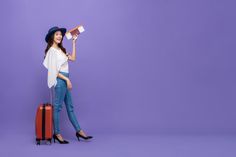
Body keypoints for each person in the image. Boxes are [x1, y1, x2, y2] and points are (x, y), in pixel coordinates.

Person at [43, 26, 93, 144]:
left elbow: (74, 58)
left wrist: (74, 43)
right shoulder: (52, 51)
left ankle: (79, 131)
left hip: (65, 79)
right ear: (52, 37)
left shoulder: (61, 50)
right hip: (61, 80)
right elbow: (53, 71)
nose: (59, 36)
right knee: (58, 108)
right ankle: (57, 134)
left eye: (60, 34)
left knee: (70, 107)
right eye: (57, 34)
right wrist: (66, 80)